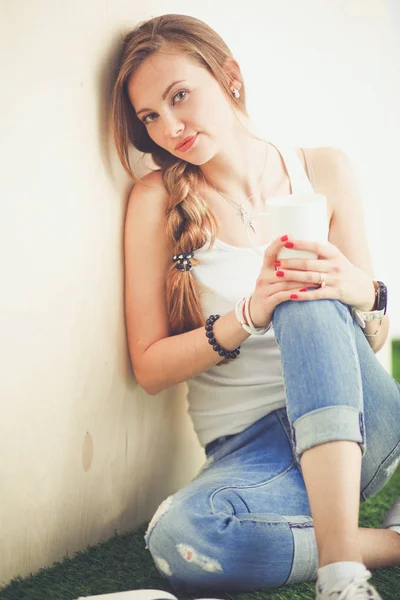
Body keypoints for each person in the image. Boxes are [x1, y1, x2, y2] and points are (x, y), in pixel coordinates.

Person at [110, 13, 400, 600]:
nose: (170, 126)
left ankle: (342, 575)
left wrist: (360, 291)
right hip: (252, 451)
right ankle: (384, 542)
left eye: (179, 96)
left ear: (230, 77)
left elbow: (372, 335)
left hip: (363, 425)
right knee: (181, 538)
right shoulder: (154, 201)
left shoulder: (322, 170)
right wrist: (248, 315)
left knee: (302, 287)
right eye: (151, 117)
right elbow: (148, 367)